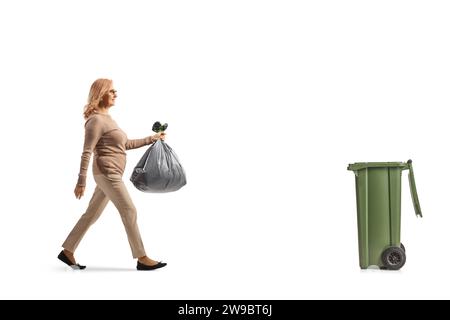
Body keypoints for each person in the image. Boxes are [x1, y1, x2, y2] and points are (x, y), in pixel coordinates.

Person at [58, 78, 167, 271]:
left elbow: (125, 145)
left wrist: (153, 138)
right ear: (100, 94)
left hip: (111, 174)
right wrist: (81, 180)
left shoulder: (109, 119)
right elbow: (87, 151)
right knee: (129, 210)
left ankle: (67, 251)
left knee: (91, 215)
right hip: (107, 173)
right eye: (111, 91)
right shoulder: (95, 121)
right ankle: (141, 257)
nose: (116, 94)